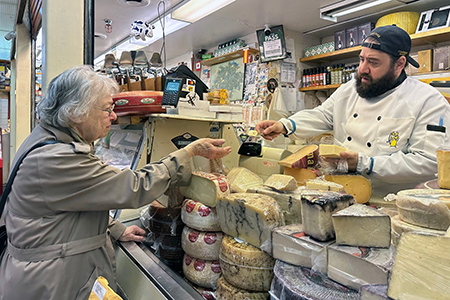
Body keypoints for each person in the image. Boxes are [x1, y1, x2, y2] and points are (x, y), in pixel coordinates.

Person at [0, 65, 231, 300]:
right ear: (76, 112)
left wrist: (114, 228)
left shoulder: (46, 138)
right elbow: (134, 187)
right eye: (107, 109)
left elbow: (71, 205)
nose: (113, 116)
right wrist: (188, 153)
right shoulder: (55, 158)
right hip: (49, 284)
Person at [257, 25, 450, 196]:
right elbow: (323, 114)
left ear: (399, 64)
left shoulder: (428, 101)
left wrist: (364, 164)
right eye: (362, 60)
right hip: (342, 194)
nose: (362, 69)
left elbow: (428, 163)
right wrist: (285, 125)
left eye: (373, 62)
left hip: (392, 204)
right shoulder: (350, 89)